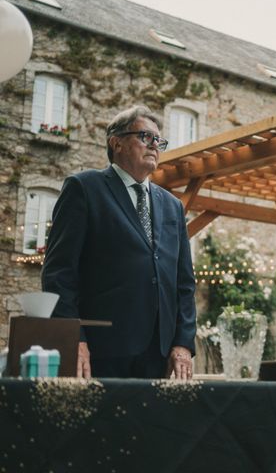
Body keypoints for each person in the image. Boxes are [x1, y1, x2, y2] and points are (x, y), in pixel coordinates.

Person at [42, 105, 196, 380]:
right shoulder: (84, 189)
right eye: (145, 137)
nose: (154, 146)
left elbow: (184, 284)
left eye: (158, 140)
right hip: (100, 351)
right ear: (117, 143)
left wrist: (183, 343)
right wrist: (74, 337)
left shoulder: (173, 207)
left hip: (158, 355)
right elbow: (59, 273)